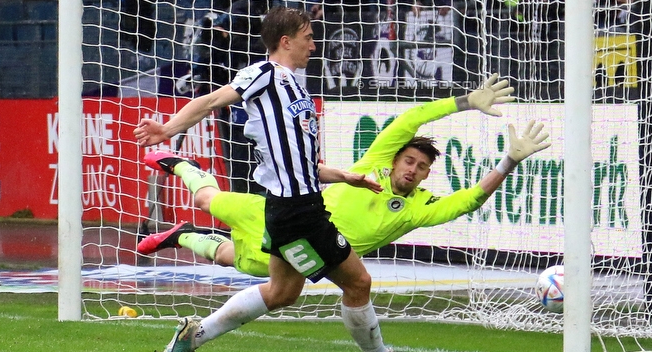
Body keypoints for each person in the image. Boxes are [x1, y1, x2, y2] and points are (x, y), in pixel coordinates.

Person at [134, 7, 426, 352]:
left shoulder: (294, 86)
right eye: (308, 38)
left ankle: (196, 334)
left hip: (292, 206)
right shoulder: (264, 74)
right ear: (286, 42)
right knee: (358, 282)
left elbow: (299, 164)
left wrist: (345, 177)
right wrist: (168, 129)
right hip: (298, 211)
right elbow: (209, 101)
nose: (314, 46)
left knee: (283, 292)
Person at [136, 75, 549, 288]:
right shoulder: (376, 165)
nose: (412, 169)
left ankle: (183, 236)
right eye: (409, 160)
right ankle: (179, 163)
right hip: (283, 210)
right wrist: (464, 103)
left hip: (315, 247)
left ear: (426, 175)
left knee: (237, 261)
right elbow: (410, 119)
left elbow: (469, 200)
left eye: (420, 167)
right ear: (398, 157)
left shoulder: (417, 209)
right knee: (210, 200)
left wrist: (510, 158)